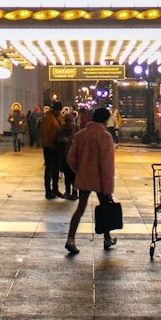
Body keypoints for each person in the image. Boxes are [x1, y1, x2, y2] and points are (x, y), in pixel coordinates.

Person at [65, 105, 117, 254]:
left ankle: (70, 238)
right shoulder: (105, 136)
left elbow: (71, 159)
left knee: (80, 209)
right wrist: (108, 188)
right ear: (105, 120)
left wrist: (80, 171)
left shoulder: (81, 135)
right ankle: (107, 238)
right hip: (100, 179)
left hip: (84, 177)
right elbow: (106, 164)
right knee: (105, 207)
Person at [40, 99, 62, 198]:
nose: (59, 112)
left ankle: (55, 189)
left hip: (58, 146)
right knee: (49, 168)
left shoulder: (60, 117)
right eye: (57, 110)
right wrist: (47, 144)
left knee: (56, 168)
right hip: (49, 147)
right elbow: (44, 132)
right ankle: (48, 190)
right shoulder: (47, 118)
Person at [58, 108, 76, 198]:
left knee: (71, 175)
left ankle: (72, 191)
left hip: (70, 155)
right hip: (66, 155)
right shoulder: (62, 128)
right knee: (69, 175)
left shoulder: (75, 128)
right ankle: (70, 191)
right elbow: (59, 139)